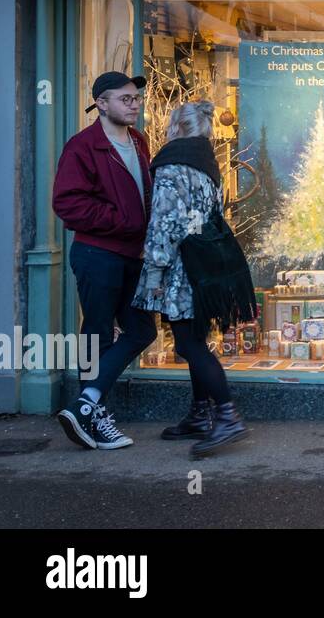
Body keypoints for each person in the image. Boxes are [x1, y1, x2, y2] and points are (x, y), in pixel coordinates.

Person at [132, 100, 250, 457]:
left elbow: (163, 224)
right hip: (203, 267)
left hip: (180, 269)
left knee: (188, 344)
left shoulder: (171, 167)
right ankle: (200, 414)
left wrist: (153, 271)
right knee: (196, 338)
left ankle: (227, 416)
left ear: (176, 128)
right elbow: (210, 216)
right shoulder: (209, 166)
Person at [54, 71, 155, 450]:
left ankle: (85, 404)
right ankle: (94, 419)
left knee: (142, 330)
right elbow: (67, 204)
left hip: (133, 255)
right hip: (98, 254)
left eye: (136, 98)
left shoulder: (138, 141)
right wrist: (125, 223)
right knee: (97, 333)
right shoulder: (83, 146)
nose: (134, 104)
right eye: (125, 98)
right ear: (101, 103)